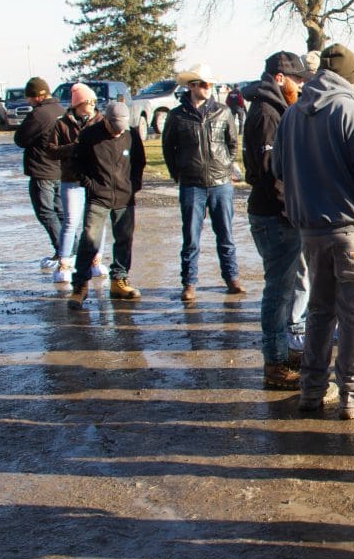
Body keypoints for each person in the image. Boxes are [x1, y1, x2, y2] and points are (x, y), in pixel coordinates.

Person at [272, 43, 354, 419]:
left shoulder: (292, 114)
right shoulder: (351, 111)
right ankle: (352, 395)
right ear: (351, 77)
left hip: (311, 232)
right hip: (352, 231)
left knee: (320, 312)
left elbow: (277, 167)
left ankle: (311, 390)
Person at [242, 51, 311, 391]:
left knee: (283, 289)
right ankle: (275, 363)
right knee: (278, 291)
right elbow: (272, 171)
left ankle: (282, 351)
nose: (300, 86)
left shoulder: (271, 108)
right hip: (275, 215)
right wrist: (290, 206)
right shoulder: (268, 113)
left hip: (274, 211)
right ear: (279, 78)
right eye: (297, 80)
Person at [162, 63, 245, 302]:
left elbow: (232, 143)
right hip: (192, 184)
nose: (209, 88)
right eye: (205, 84)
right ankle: (189, 283)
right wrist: (178, 173)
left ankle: (232, 278)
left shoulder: (223, 111)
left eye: (211, 84)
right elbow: (169, 149)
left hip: (220, 183)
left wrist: (226, 166)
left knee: (226, 235)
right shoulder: (177, 116)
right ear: (192, 86)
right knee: (191, 237)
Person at [68, 101, 145, 308]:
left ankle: (119, 280)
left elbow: (139, 162)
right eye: (114, 129)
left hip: (124, 197)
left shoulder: (131, 135)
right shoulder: (89, 136)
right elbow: (75, 163)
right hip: (98, 197)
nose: (118, 133)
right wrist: (90, 185)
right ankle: (80, 286)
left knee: (124, 239)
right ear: (106, 121)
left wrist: (133, 185)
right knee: (90, 240)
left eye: (122, 129)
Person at [48, 83, 107, 284]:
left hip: (96, 179)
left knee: (97, 222)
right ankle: (64, 262)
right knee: (71, 221)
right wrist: (74, 148)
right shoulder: (62, 124)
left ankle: (96, 261)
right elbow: (51, 150)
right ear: (78, 104)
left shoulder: (100, 121)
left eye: (93, 102)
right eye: (88, 102)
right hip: (71, 180)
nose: (92, 105)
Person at [14, 76, 65, 269]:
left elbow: (20, 139)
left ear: (37, 96)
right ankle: (72, 248)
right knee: (61, 212)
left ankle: (62, 251)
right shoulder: (61, 110)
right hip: (60, 169)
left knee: (45, 212)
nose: (28, 101)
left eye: (29, 97)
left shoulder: (39, 114)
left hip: (42, 169)